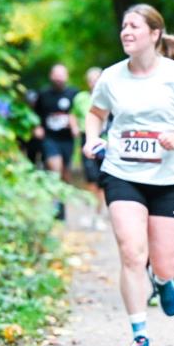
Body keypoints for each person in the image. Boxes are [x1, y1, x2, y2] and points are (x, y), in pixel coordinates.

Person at [83, 4, 174, 346]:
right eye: (123, 26)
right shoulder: (111, 77)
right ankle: (139, 334)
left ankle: (162, 280)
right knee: (131, 252)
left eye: (134, 26)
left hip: (170, 178)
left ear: (154, 34)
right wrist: (91, 138)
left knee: (165, 264)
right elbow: (96, 114)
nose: (126, 32)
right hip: (122, 173)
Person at [35, 64, 79, 220]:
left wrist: (76, 125)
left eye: (62, 75)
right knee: (55, 169)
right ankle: (53, 207)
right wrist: (37, 127)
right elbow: (35, 114)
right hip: (50, 138)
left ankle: (61, 207)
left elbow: (82, 112)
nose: (59, 78)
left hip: (67, 140)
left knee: (65, 175)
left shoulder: (74, 94)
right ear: (51, 76)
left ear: (66, 77)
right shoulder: (43, 94)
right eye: (56, 75)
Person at [73, 66, 106, 229]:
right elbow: (72, 114)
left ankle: (99, 215)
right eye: (91, 80)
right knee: (90, 180)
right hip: (86, 139)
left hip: (105, 142)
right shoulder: (81, 98)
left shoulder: (110, 97)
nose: (94, 83)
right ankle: (89, 213)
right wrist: (73, 127)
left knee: (102, 182)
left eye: (97, 79)